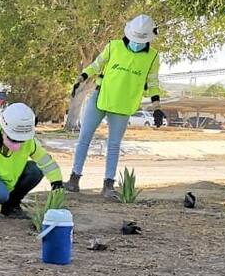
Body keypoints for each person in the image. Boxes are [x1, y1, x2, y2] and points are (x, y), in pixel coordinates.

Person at [65, 15, 163, 198]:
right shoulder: (113, 46)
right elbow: (96, 65)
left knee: (114, 145)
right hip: (100, 98)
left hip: (123, 106)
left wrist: (157, 107)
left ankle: (108, 186)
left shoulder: (153, 57)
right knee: (84, 138)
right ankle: (73, 180)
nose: (136, 43)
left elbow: (153, 82)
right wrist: (81, 78)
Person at [0, 103, 64, 218]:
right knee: (0, 195)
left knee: (35, 170)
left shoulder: (29, 142)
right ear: (3, 129)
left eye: (21, 140)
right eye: (13, 139)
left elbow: (46, 161)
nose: (17, 145)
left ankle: (11, 206)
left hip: (6, 172)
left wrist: (57, 183)